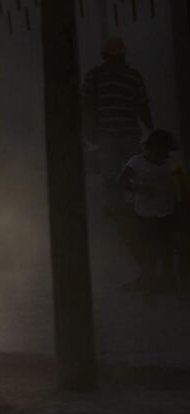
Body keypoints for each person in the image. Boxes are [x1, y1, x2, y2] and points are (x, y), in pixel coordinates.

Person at [82, 38, 154, 285]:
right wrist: (151, 129)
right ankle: (128, 208)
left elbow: (87, 105)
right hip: (124, 134)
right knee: (126, 173)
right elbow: (142, 106)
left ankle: (122, 209)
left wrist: (89, 129)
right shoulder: (131, 76)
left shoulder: (96, 76)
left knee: (115, 176)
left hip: (111, 135)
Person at [117, 130, 179, 300]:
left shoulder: (171, 165)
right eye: (158, 151)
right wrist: (140, 189)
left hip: (167, 213)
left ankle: (166, 279)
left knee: (165, 249)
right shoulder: (136, 162)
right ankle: (149, 279)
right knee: (148, 249)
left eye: (165, 152)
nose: (162, 155)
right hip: (144, 214)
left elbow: (181, 186)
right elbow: (121, 182)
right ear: (149, 149)